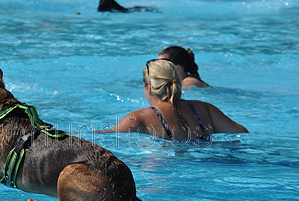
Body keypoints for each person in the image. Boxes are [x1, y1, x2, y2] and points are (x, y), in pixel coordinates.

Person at [99, 59, 248, 140]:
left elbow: (105, 137)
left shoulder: (139, 118)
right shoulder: (205, 109)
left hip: (165, 174)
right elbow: (242, 132)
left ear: (149, 86)